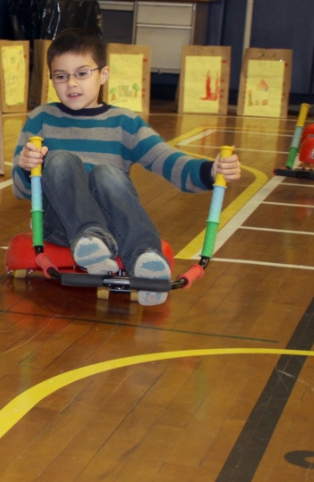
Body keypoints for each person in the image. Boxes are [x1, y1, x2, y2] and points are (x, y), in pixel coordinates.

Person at [12, 28, 242, 306]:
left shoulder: (125, 123)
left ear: (103, 74)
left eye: (82, 73)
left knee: (106, 173)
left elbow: (168, 161)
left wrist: (212, 171)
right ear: (52, 79)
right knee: (60, 160)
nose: (71, 84)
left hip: (114, 223)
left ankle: (146, 257)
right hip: (61, 224)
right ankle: (91, 239)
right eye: (61, 76)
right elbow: (22, 190)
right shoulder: (41, 119)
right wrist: (27, 167)